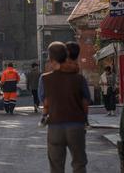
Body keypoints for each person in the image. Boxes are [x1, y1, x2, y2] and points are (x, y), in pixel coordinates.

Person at [41, 42, 89, 173]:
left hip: (55, 125)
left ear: (51, 58)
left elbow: (45, 102)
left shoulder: (45, 79)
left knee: (56, 166)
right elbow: (86, 101)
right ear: (66, 55)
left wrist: (44, 116)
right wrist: (85, 120)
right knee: (79, 163)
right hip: (76, 125)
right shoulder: (79, 79)